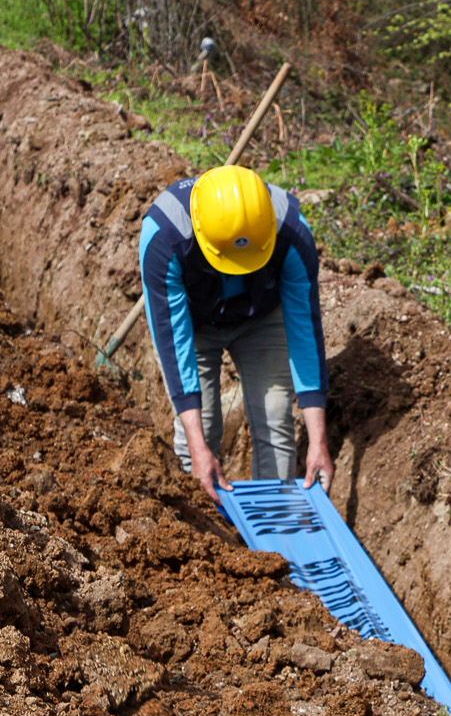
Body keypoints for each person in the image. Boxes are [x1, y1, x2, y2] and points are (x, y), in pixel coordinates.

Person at [139, 164, 333, 500]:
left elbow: (305, 331)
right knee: (200, 434)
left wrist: (319, 442)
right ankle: (203, 532)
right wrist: (199, 447)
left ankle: (278, 535)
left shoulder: (290, 232)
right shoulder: (164, 237)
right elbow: (174, 344)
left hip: (262, 316)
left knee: (275, 419)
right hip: (195, 325)